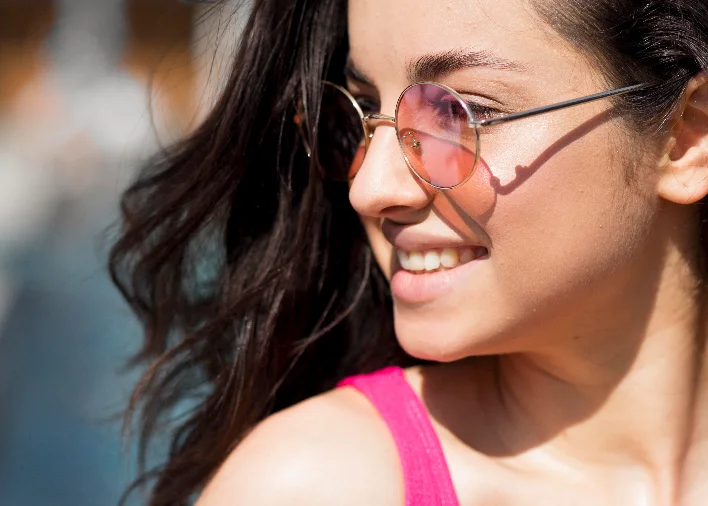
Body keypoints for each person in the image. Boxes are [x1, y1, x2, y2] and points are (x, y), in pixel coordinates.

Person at [109, 0, 708, 504]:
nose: (371, 188)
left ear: (688, 137)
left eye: (460, 113)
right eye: (362, 113)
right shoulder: (316, 485)